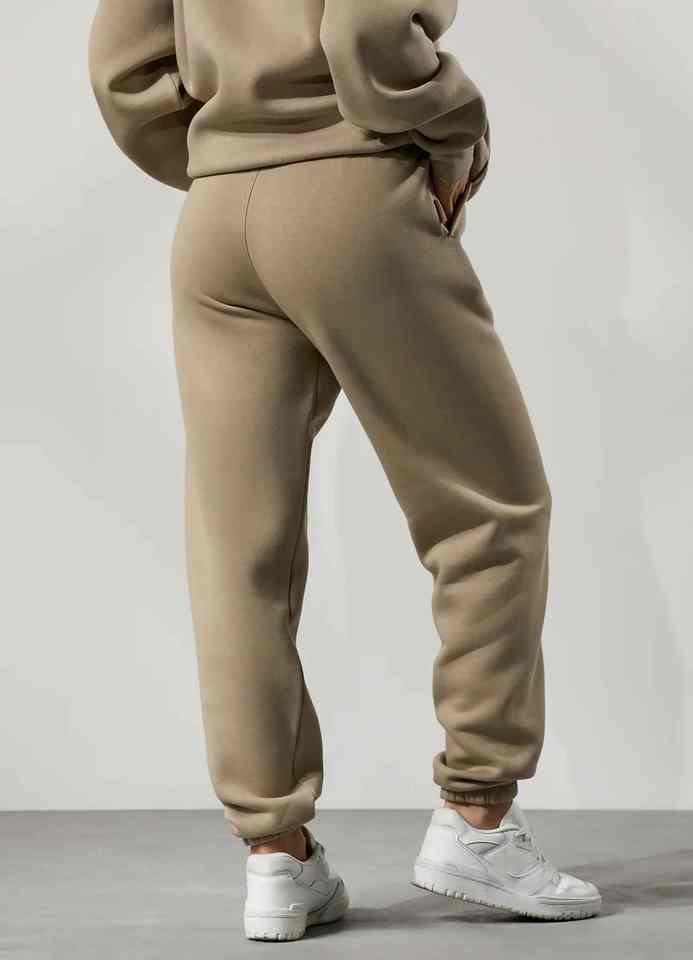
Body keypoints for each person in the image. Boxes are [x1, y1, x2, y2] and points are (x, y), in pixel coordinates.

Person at [88, 0, 601, 942]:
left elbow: (123, 68)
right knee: (487, 509)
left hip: (216, 223)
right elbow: (364, 30)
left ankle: (275, 856)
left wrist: (226, 154)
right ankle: (478, 819)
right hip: (352, 190)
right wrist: (453, 128)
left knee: (239, 549)